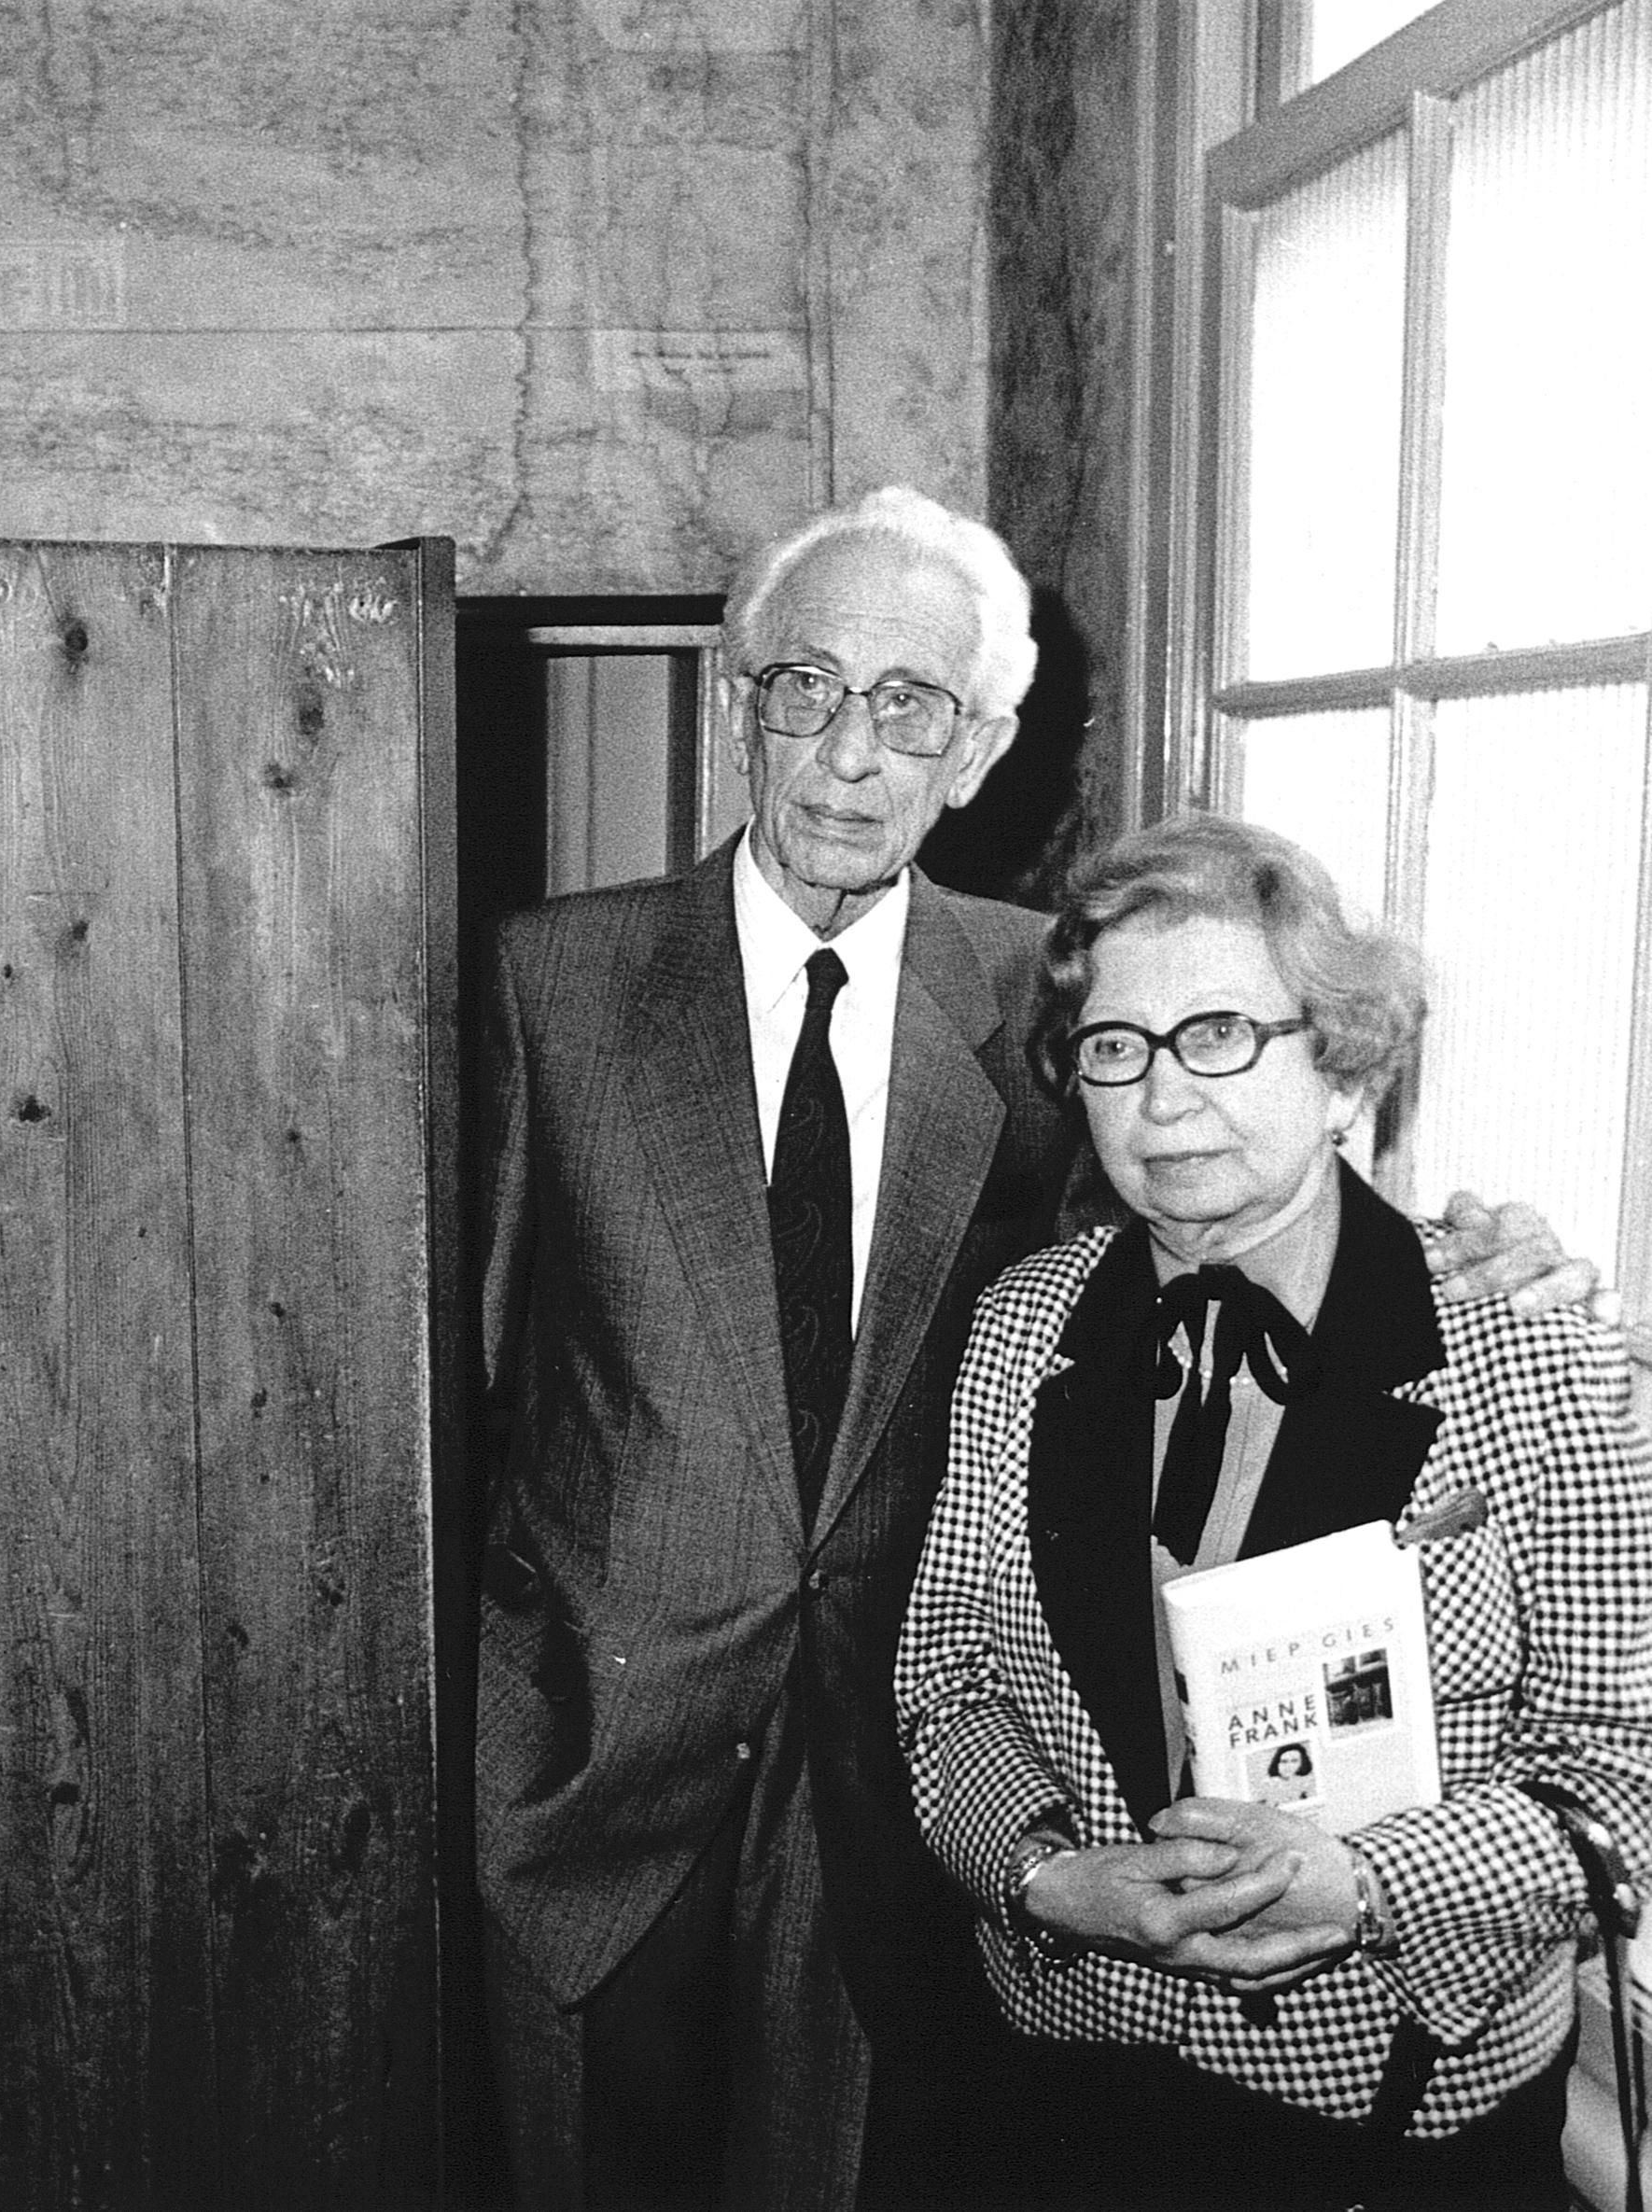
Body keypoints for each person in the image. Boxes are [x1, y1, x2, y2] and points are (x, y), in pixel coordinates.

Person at [472, 485, 1589, 2212]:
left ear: (979, 745)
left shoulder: (1043, 997)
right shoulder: (544, 982)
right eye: (803, 686)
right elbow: (451, 1393)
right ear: (736, 696)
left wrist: (1483, 1247)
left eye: (909, 704)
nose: (848, 752)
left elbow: (1230, 1184)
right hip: (605, 1767)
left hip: (906, 1811)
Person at [894, 812, 1652, 2211]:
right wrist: (1058, 1876)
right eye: (1115, 1047)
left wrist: (1360, 1882)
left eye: (1221, 1033)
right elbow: (944, 1680)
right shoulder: (1020, 1330)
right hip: (1062, 2091)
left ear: (1345, 1068)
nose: (1163, 1097)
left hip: (1394, 2123)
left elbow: (1617, 1776)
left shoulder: (1534, 1350)